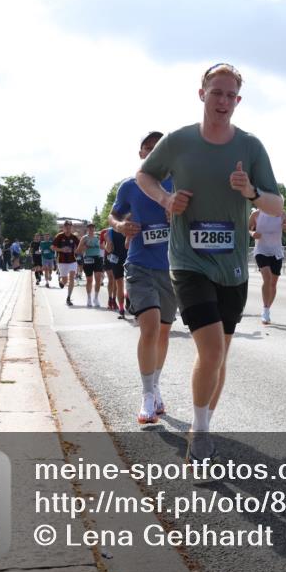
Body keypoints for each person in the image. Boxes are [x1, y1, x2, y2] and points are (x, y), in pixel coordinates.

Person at [137, 63, 283, 462]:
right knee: (213, 351)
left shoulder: (250, 147)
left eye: (230, 95)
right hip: (188, 263)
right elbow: (144, 177)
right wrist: (166, 200)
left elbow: (275, 202)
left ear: (238, 100)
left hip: (232, 267)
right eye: (216, 92)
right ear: (202, 94)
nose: (222, 101)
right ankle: (199, 438)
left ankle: (205, 424)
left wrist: (251, 191)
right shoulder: (178, 141)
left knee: (221, 355)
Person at [111, 131, 177, 424]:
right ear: (140, 154)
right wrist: (121, 226)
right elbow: (113, 217)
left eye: (158, 149)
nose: (152, 154)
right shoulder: (129, 186)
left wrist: (178, 218)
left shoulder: (180, 185)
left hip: (172, 268)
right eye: (147, 149)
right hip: (138, 265)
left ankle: (156, 384)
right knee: (149, 327)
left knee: (163, 332)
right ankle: (147, 396)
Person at [248, 206, 286, 324]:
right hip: (261, 250)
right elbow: (248, 228)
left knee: (273, 283)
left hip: (276, 252)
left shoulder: (281, 214)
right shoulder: (256, 214)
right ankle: (265, 309)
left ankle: (268, 309)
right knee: (267, 278)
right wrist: (253, 233)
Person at [52, 221, 81, 305]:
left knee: (72, 278)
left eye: (69, 227)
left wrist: (79, 249)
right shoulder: (59, 236)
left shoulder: (74, 237)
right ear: (64, 228)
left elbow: (79, 246)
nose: (68, 229)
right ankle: (61, 282)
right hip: (62, 261)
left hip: (72, 261)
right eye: (66, 227)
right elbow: (52, 247)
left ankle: (68, 298)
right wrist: (62, 249)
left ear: (71, 228)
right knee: (65, 280)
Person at [77, 223, 105, 307]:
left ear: (94, 229)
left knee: (98, 279)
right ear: (87, 229)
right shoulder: (84, 238)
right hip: (88, 259)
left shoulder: (98, 237)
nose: (91, 230)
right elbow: (78, 250)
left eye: (92, 228)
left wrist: (104, 246)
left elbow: (103, 247)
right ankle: (89, 298)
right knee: (89, 280)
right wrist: (84, 247)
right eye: (89, 228)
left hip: (97, 258)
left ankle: (96, 298)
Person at [104, 225, 128, 318]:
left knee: (132, 283)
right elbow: (108, 249)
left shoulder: (129, 226)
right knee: (119, 284)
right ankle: (121, 309)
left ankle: (128, 298)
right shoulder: (110, 231)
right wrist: (108, 241)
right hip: (116, 259)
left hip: (130, 258)